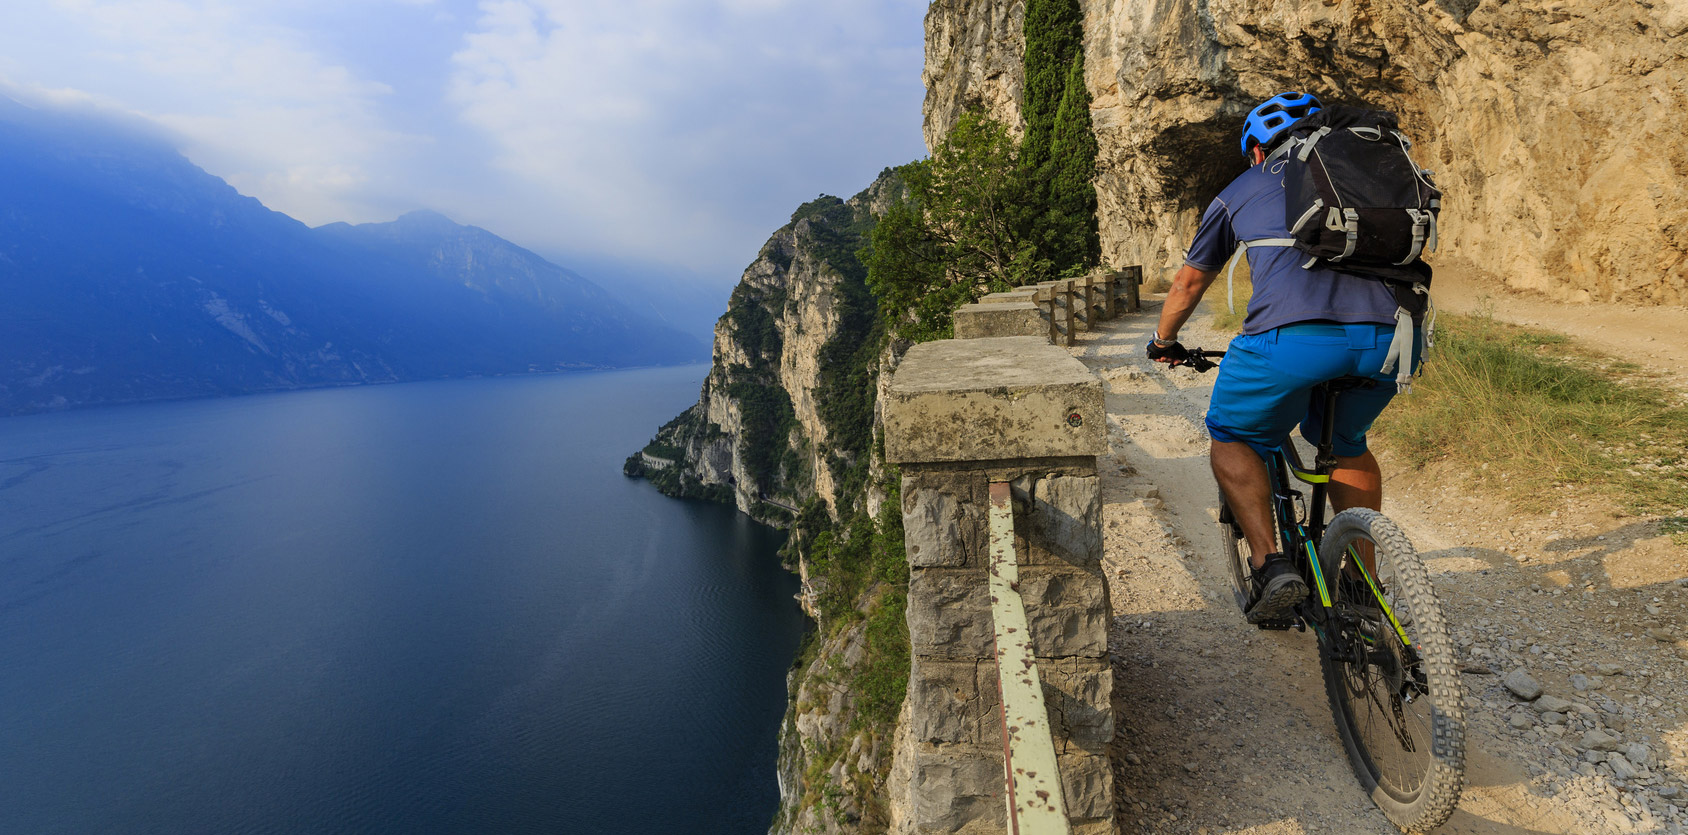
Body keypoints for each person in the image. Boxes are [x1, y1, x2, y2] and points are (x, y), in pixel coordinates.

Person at [1145, 91, 1423, 624]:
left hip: (1291, 342)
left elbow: (1189, 281)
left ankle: (1271, 565)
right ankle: (1363, 589)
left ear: (1256, 150)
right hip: (1390, 340)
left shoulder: (1243, 188)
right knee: (1347, 444)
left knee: (1232, 436)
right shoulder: (1370, 172)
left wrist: (1163, 340)